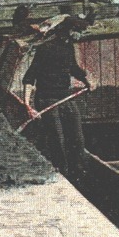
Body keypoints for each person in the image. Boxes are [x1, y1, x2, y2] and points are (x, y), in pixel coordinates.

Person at [22, 14, 93, 174]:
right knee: (58, 140)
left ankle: (79, 172)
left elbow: (73, 68)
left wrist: (87, 81)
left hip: (65, 97)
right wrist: (27, 105)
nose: (80, 35)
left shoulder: (68, 47)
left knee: (77, 138)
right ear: (70, 31)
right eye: (79, 31)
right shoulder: (45, 48)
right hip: (47, 99)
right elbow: (29, 77)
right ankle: (62, 171)